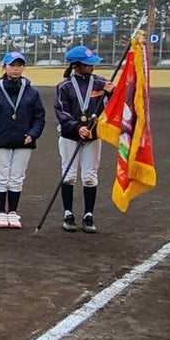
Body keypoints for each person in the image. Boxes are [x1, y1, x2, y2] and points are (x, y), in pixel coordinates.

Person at [54, 45, 114, 233]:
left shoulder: (101, 83)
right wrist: (77, 127)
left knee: (89, 177)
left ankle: (88, 215)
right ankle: (68, 213)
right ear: (77, 66)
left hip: (93, 137)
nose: (92, 67)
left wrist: (111, 94)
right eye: (88, 64)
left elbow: (111, 108)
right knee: (69, 175)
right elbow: (61, 112)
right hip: (70, 137)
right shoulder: (64, 86)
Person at [0, 52, 46, 229]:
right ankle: (0, 212)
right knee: (2, 175)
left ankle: (13, 212)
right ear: (4, 67)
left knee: (17, 177)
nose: (16, 69)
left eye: (19, 65)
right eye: (12, 65)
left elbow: (39, 117)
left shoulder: (32, 93)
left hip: (23, 141)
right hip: (1, 141)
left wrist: (33, 134)